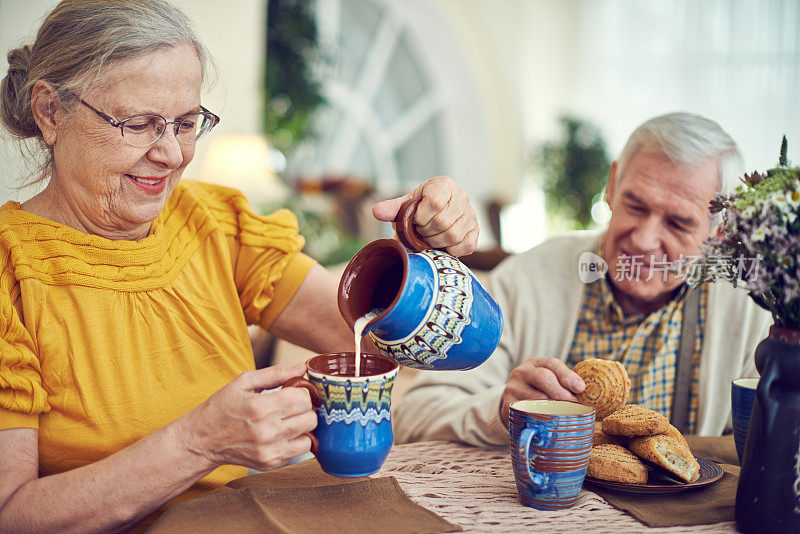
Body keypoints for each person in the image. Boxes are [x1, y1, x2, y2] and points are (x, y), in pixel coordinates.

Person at [0, 1, 479, 531]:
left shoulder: (213, 223)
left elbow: (375, 338)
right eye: (138, 125)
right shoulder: (10, 272)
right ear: (49, 112)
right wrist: (197, 442)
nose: (171, 154)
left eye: (185, 124)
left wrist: (424, 255)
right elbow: (10, 515)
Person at [393, 112, 773, 447]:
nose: (642, 240)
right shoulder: (531, 278)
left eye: (678, 223)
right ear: (612, 185)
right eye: (634, 205)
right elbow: (414, 412)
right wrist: (502, 412)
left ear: (720, 233)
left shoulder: (752, 309)